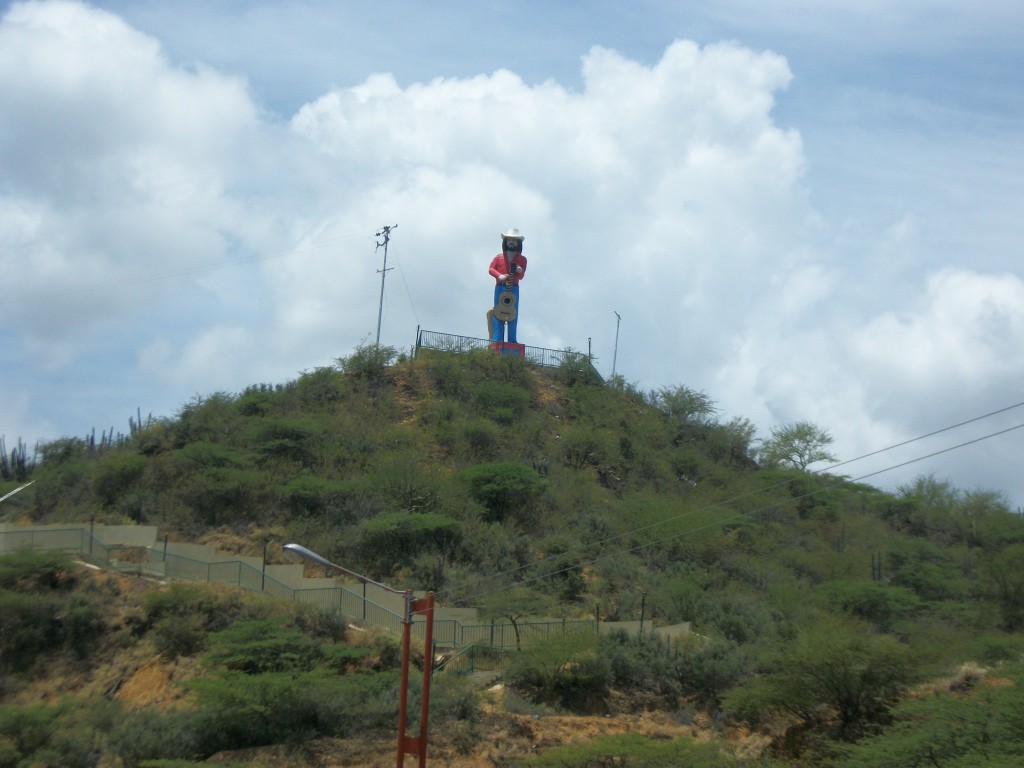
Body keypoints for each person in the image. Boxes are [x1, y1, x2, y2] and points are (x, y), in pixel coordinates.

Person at [488, 227, 527, 343]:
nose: (511, 242)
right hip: (500, 287)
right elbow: (491, 269)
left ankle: (512, 340)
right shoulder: (498, 257)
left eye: (514, 240)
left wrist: (519, 271)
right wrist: (499, 276)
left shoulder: (522, 260)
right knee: (499, 312)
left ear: (518, 243)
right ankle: (497, 339)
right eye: (509, 240)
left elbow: (521, 276)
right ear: (506, 241)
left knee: (513, 314)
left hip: (514, 288)